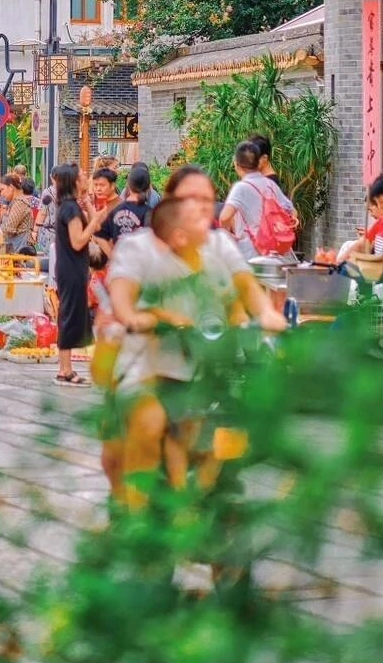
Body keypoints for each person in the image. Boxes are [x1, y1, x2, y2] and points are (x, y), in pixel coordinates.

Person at [104, 163, 286, 503]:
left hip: (209, 365)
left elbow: (246, 285)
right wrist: (132, 316)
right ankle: (144, 512)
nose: (201, 206)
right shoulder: (139, 247)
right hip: (150, 365)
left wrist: (265, 314)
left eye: (207, 199)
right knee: (148, 425)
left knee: (238, 426)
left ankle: (201, 496)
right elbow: (123, 292)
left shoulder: (219, 245)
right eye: (190, 198)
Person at [52, 162, 108, 385]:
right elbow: (78, 241)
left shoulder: (72, 206)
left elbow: (94, 228)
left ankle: (66, 368)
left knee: (71, 314)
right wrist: (94, 218)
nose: (87, 178)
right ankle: (64, 369)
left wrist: (91, 209)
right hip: (72, 268)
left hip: (72, 267)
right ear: (75, 181)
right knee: (68, 316)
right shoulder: (70, 209)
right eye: (83, 175)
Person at [220, 142, 299, 260]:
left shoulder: (241, 187)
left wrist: (229, 234)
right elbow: (292, 211)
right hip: (275, 253)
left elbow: (224, 217)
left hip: (251, 254)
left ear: (236, 164)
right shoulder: (271, 184)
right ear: (258, 163)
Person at [99, 162, 152, 258]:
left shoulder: (116, 210)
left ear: (129, 185)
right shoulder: (149, 213)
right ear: (148, 186)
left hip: (120, 268)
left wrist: (113, 258)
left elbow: (99, 235)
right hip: (139, 266)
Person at [0, 174, 36, 253]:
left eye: (2, 189)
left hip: (21, 250)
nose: (1, 193)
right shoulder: (14, 202)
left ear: (11, 187)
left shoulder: (20, 203)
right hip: (15, 248)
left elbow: (9, 228)